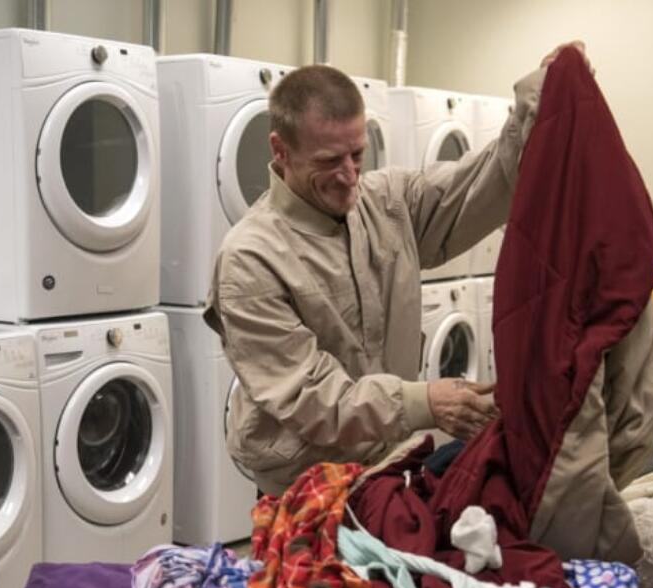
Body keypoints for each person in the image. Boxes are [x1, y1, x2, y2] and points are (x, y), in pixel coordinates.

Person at [204, 43, 590, 497]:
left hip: (389, 465)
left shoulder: (386, 203)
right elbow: (312, 397)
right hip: (303, 486)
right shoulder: (251, 260)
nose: (349, 176)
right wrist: (425, 401)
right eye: (329, 161)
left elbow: (480, 183)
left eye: (357, 154)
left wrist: (538, 104)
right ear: (281, 150)